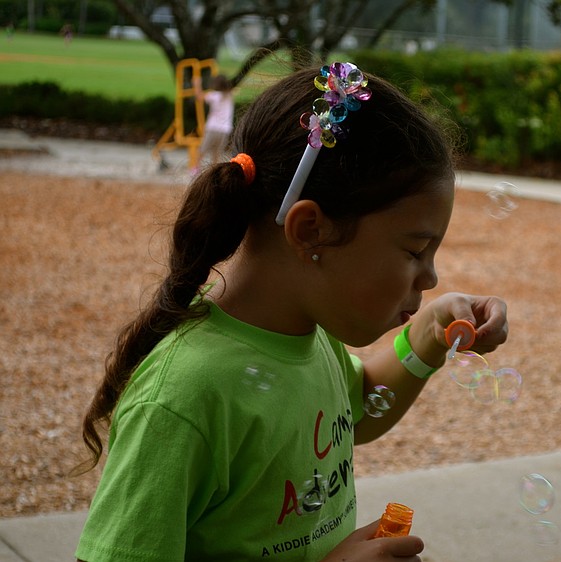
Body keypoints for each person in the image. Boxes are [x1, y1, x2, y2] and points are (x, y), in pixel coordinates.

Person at [75, 61, 509, 562]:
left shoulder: (306, 329)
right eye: (415, 251)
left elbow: (358, 407)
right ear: (309, 231)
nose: (431, 278)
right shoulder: (184, 398)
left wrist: (433, 334)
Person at [192, 73, 235, 174]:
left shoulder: (214, 95)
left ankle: (195, 170)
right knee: (216, 154)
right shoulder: (229, 95)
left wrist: (196, 84)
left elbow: (199, 97)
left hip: (213, 128)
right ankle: (214, 173)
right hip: (225, 130)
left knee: (202, 150)